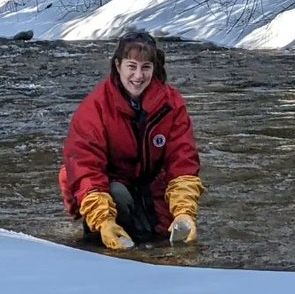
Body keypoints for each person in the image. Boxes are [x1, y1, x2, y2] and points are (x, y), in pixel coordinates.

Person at [58, 30, 203, 250]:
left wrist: (184, 212)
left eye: (146, 67)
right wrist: (104, 220)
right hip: (106, 191)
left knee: (162, 242)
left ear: (155, 69)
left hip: (150, 193)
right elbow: (84, 168)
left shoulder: (171, 105)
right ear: (118, 66)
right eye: (131, 66)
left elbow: (182, 162)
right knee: (116, 194)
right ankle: (102, 232)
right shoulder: (94, 108)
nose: (138, 76)